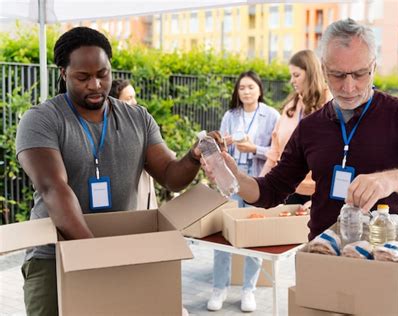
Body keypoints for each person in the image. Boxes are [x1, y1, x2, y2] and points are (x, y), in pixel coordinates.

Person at [204, 18, 398, 243]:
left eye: (360, 74)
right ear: (323, 69)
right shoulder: (310, 126)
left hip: (384, 257)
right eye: (338, 75)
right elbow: (272, 190)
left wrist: (390, 180)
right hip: (323, 252)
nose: (349, 87)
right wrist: (235, 178)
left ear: (373, 66)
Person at [15, 27, 202, 316]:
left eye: (102, 74)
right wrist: (98, 256)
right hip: (54, 255)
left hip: (120, 252)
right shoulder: (41, 120)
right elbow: (54, 189)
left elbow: (170, 174)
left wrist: (193, 156)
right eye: (83, 77)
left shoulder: (138, 118)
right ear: (63, 73)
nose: (95, 85)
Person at [207, 71, 279, 312]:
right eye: (242, 88)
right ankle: (220, 287)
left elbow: (276, 151)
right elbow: (219, 148)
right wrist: (224, 144)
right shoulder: (231, 115)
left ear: (259, 89)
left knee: (252, 235)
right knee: (223, 233)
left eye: (250, 87)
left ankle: (249, 289)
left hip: (257, 182)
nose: (246, 92)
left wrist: (254, 148)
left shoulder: (271, 116)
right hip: (231, 182)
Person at [260, 50, 331, 206]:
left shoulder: (331, 104)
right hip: (290, 191)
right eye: (291, 75)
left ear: (311, 73)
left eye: (296, 75)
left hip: (321, 194)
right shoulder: (291, 107)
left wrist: (322, 195)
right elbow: (275, 153)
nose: (292, 80)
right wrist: (260, 188)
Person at [110, 78, 158, 210]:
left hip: (146, 202)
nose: (135, 102)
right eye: (128, 98)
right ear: (115, 101)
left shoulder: (141, 126)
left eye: (134, 97)